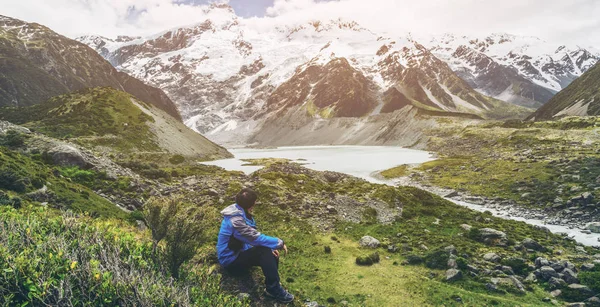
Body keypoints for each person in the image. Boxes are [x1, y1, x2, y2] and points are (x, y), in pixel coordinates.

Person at [216, 188, 294, 303]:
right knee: (264, 251)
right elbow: (255, 238)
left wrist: (271, 248)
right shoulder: (236, 221)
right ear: (252, 204)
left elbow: (249, 240)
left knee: (270, 252)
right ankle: (273, 290)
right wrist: (279, 243)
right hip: (230, 262)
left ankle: (273, 284)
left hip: (238, 253)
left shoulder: (238, 211)